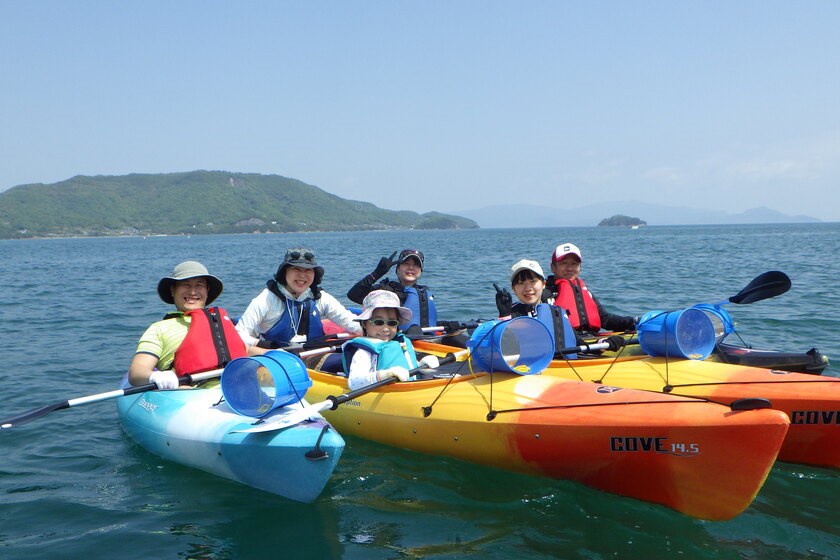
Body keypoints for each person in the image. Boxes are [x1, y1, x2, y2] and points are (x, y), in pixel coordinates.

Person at [128, 261, 247, 389]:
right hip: (189, 392)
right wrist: (156, 377)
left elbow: (246, 349)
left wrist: (270, 353)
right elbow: (137, 372)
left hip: (235, 388)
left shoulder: (221, 321)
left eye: (199, 285)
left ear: (207, 291)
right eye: (186, 285)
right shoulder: (158, 329)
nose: (192, 292)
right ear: (173, 290)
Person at [236, 247, 362, 353]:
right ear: (284, 272)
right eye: (296, 269)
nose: (302, 275)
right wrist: (264, 346)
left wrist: (375, 331)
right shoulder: (266, 299)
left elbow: (349, 322)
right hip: (278, 358)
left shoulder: (320, 297)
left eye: (308, 270)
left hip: (314, 354)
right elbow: (239, 334)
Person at [495, 259, 624, 358]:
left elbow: (579, 345)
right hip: (532, 369)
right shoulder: (512, 314)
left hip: (562, 369)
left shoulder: (556, 312)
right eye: (521, 283)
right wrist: (504, 315)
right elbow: (504, 347)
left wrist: (603, 343)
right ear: (513, 289)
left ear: (544, 284)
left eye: (533, 282)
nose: (528, 288)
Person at [342, 290, 439, 390]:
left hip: (409, 392)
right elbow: (354, 383)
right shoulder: (364, 352)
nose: (385, 328)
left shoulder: (401, 344)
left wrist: (422, 366)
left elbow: (406, 367)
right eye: (378, 322)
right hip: (385, 395)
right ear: (364, 324)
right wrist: (384, 375)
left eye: (392, 323)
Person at [547, 242, 637, 337]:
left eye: (574, 264)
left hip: (591, 339)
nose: (569, 268)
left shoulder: (584, 291)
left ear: (580, 267)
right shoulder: (544, 293)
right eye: (564, 263)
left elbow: (605, 320)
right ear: (553, 267)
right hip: (565, 343)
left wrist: (632, 321)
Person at [346, 249, 440, 332]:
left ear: (420, 271)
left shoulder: (423, 293)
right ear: (398, 269)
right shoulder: (384, 290)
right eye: (406, 264)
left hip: (425, 338)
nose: (411, 268)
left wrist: (447, 325)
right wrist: (377, 273)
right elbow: (354, 295)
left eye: (416, 265)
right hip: (393, 337)